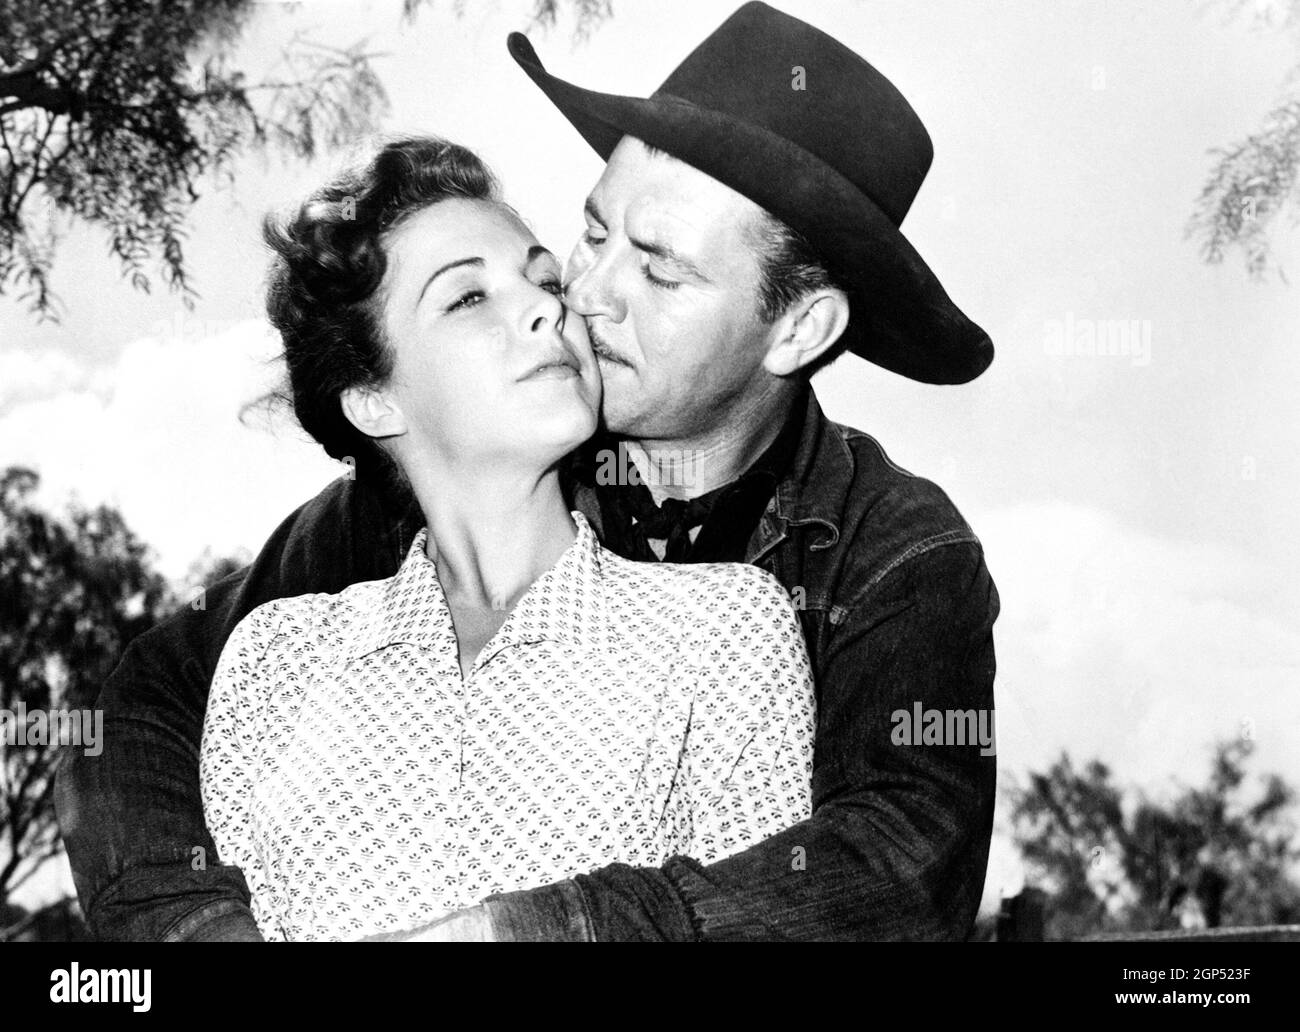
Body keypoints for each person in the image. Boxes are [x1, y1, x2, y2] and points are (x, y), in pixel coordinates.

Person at [56, 1, 1000, 941]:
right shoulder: (437, 488)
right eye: (591, 237)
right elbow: (149, 701)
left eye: (661, 271)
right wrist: (191, 932)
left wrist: (538, 933)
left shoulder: (897, 559)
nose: (584, 296)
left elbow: (899, 869)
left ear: (799, 328)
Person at [197, 136, 816, 942]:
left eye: (544, 279)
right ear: (375, 402)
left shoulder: (723, 630)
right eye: (466, 298)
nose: (548, 308)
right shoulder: (273, 662)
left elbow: (766, 930)